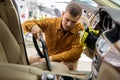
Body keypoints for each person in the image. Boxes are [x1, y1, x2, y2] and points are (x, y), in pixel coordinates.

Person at [22, 2, 84, 70]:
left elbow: (76, 53)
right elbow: (25, 23)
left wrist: (52, 59)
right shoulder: (51, 23)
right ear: (63, 14)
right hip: (47, 55)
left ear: (78, 19)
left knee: (69, 65)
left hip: (65, 60)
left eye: (73, 22)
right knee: (27, 61)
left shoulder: (80, 30)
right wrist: (33, 26)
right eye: (67, 19)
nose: (69, 24)